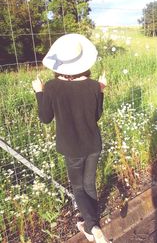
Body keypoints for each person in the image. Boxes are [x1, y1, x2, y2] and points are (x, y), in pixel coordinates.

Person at [32, 34, 110, 243]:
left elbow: (45, 118)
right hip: (93, 143)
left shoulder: (52, 87)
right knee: (89, 184)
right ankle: (93, 225)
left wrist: (39, 93)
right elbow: (96, 115)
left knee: (78, 188)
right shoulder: (94, 85)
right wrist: (101, 91)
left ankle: (93, 226)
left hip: (71, 147)